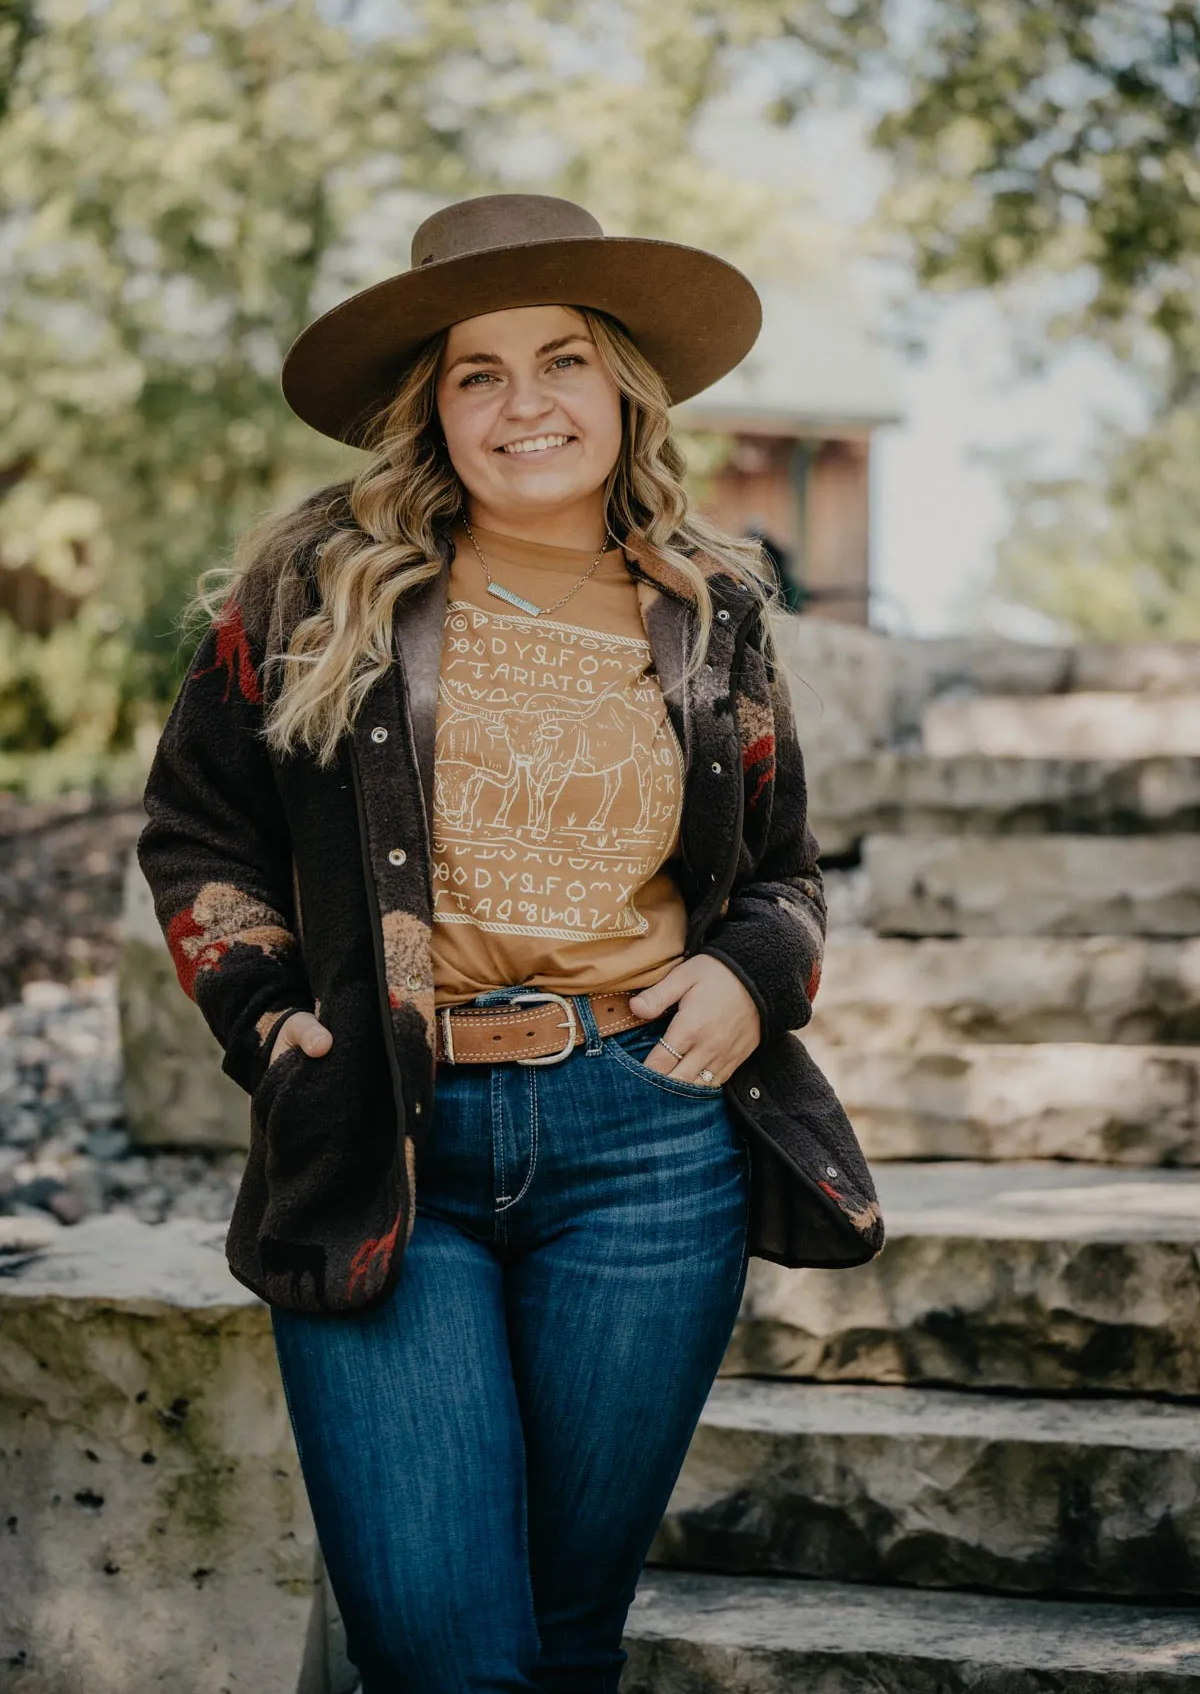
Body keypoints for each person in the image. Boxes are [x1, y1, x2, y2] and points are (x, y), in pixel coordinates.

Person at [136, 193, 883, 1693]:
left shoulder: (713, 605)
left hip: (647, 1138)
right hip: (381, 1135)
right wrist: (267, 1011)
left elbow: (785, 871)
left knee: (562, 1643)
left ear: (623, 391)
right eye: (480, 370)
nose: (524, 403)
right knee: (444, 1658)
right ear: (435, 405)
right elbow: (199, 835)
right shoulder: (312, 582)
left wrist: (751, 974)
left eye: (564, 361)